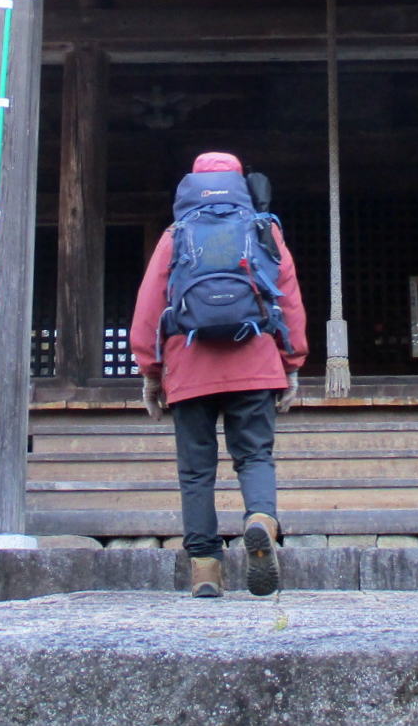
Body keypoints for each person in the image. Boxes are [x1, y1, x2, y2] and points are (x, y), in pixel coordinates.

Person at [130, 152, 307, 598]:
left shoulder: (176, 235)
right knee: (254, 457)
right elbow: (289, 301)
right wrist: (292, 364)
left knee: (196, 473)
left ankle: (205, 569)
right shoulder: (264, 229)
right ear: (241, 183)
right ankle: (260, 519)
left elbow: (150, 306)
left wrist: (151, 373)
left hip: (189, 367)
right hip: (256, 362)